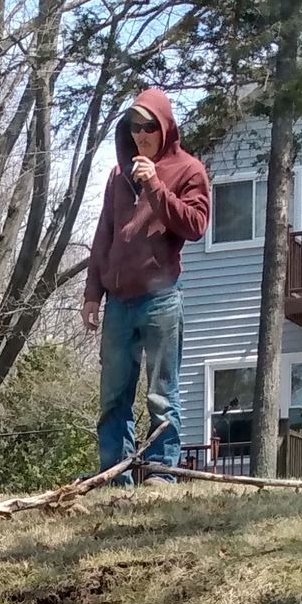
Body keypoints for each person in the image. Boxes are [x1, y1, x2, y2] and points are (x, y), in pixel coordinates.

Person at [82, 86, 211, 476]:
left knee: (161, 396)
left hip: (161, 300)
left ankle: (160, 473)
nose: (141, 135)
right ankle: (116, 475)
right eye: (134, 127)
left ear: (166, 128)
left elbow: (196, 226)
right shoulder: (118, 175)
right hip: (119, 303)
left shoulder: (189, 170)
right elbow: (105, 235)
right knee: (113, 398)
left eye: (149, 127)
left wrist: (155, 186)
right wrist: (92, 296)